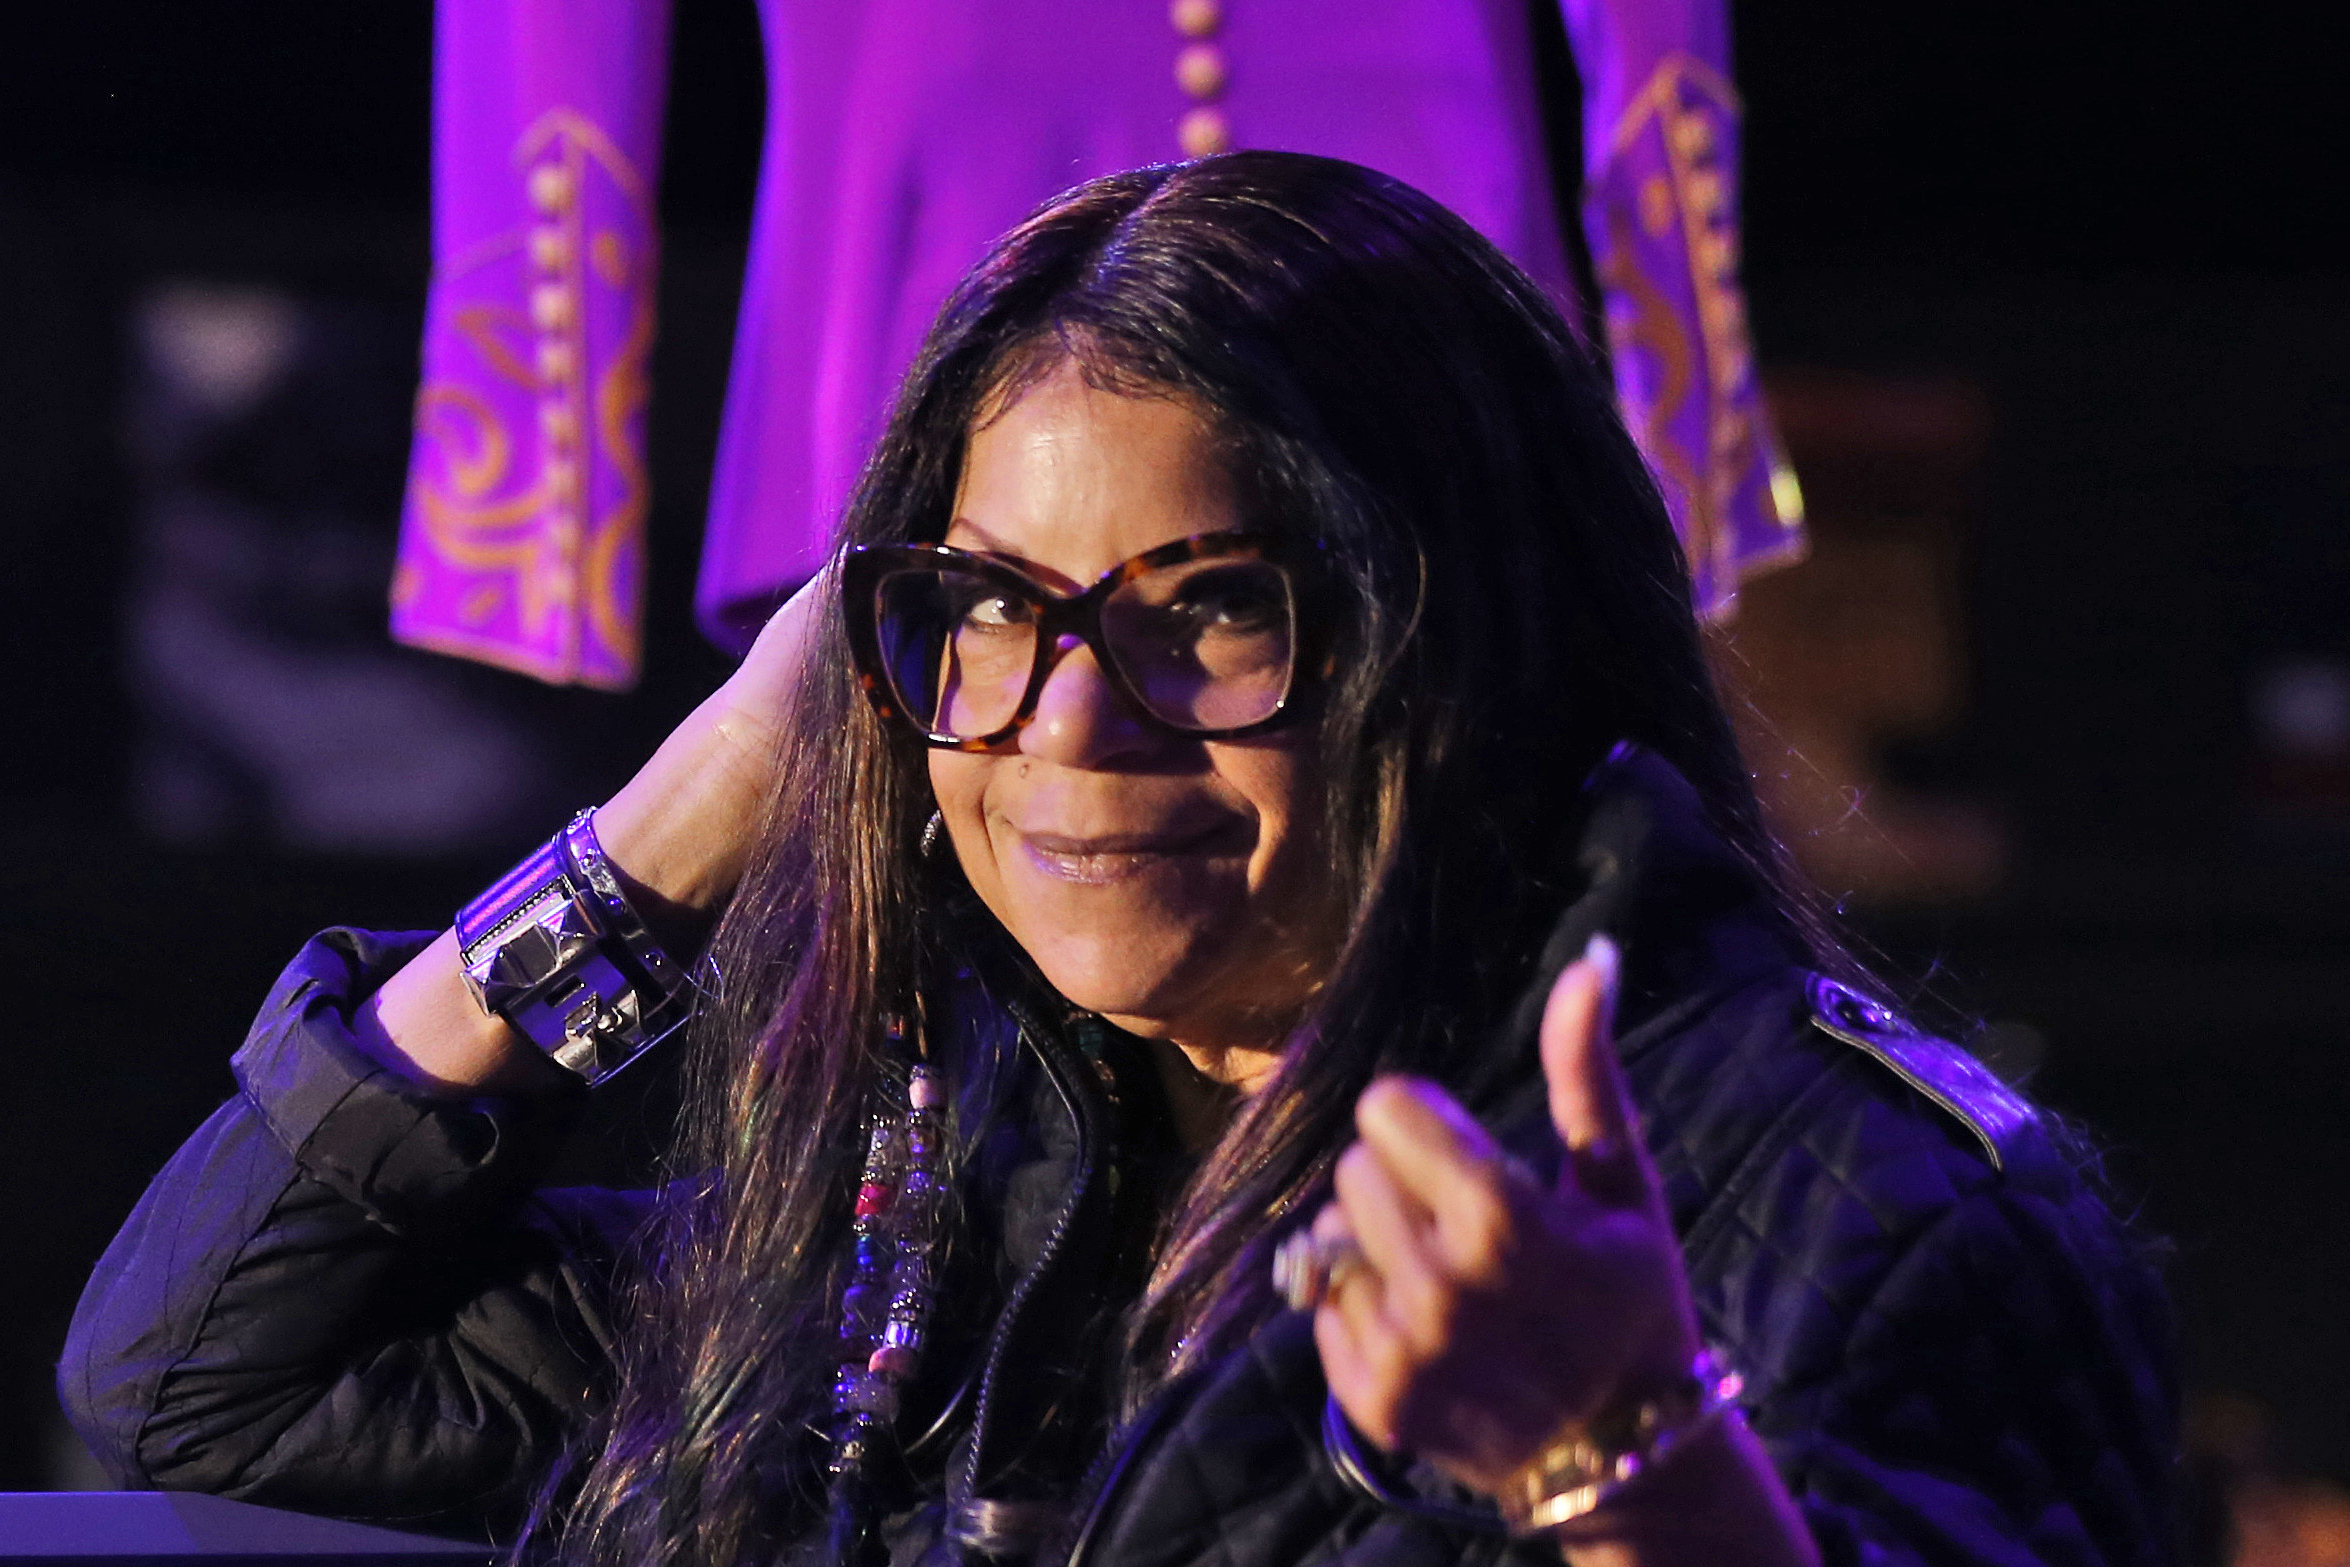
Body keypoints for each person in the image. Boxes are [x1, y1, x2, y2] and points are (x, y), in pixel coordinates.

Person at [62, 153, 2174, 1567]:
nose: (1072, 722)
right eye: (990, 608)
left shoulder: (1856, 1212)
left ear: (1459, 633)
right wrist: (692, 803)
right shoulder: (942, 1184)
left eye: (1214, 608)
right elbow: (195, 1371)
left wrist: (1615, 1456)